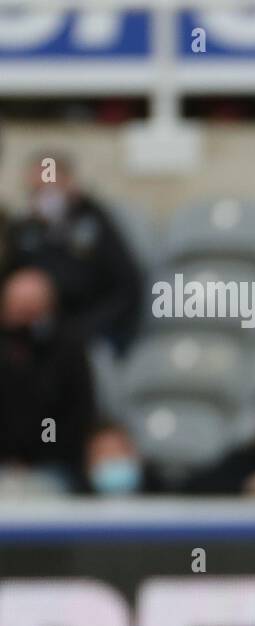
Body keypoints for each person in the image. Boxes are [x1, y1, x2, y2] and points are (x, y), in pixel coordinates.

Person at [4, 151, 142, 356]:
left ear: (69, 183)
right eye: (35, 191)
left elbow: (127, 288)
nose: (43, 198)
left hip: (88, 336)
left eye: (48, 189)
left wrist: (85, 329)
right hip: (32, 336)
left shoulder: (96, 225)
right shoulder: (25, 231)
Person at [0, 268, 96, 489]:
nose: (23, 319)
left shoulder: (66, 353)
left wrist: (36, 459)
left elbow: (61, 421)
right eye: (17, 308)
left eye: (30, 309)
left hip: (51, 467)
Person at [80, 421, 169, 496]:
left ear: (138, 456)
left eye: (120, 450)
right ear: (88, 465)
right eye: (104, 453)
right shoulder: (72, 504)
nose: (113, 459)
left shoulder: (167, 499)